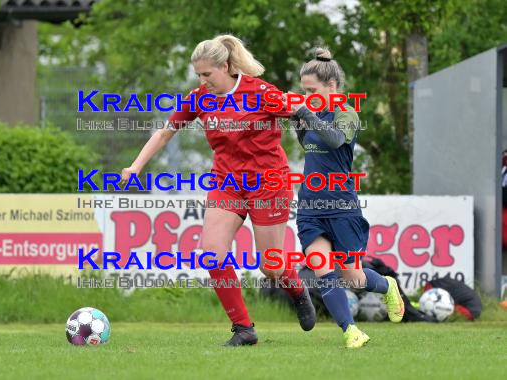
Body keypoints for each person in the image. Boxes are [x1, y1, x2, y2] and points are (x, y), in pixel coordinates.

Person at [120, 34, 316, 346]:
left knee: (271, 266)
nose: (202, 80)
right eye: (198, 75)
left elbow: (302, 109)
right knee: (212, 253)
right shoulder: (200, 98)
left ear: (225, 66)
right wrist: (135, 166)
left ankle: (296, 289)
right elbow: (164, 134)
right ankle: (243, 329)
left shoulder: (260, 91)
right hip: (228, 184)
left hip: (269, 185)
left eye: (207, 74)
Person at [287, 47, 405, 348]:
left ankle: (388, 285)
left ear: (332, 86)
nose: (307, 97)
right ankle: (350, 331)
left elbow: (335, 139)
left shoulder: (347, 113)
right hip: (311, 206)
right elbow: (310, 144)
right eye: (304, 92)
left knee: (352, 277)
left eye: (312, 91)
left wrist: (304, 114)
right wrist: (298, 123)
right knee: (321, 268)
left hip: (341, 206)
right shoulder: (311, 114)